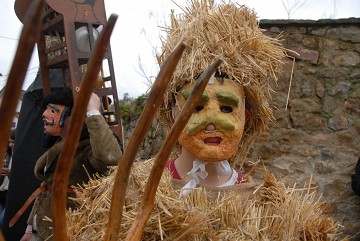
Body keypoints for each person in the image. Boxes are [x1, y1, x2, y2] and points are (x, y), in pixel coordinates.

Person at [65, 1, 343, 240]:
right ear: (172, 115)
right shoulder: (129, 192)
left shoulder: (271, 207)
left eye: (226, 108)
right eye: (196, 107)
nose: (212, 122)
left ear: (246, 118)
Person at [18, 88, 122, 241]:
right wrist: (30, 229)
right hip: (43, 230)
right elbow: (46, 189)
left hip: (70, 233)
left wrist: (92, 111)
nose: (44, 114)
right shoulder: (58, 145)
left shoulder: (89, 148)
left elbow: (110, 159)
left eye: (53, 110)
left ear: (71, 116)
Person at [0, 129, 16, 227]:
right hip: (1, 192)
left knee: (2, 223)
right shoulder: (6, 154)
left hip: (10, 195)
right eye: (9, 142)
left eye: (13, 142)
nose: (10, 145)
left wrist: (12, 174)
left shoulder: (22, 157)